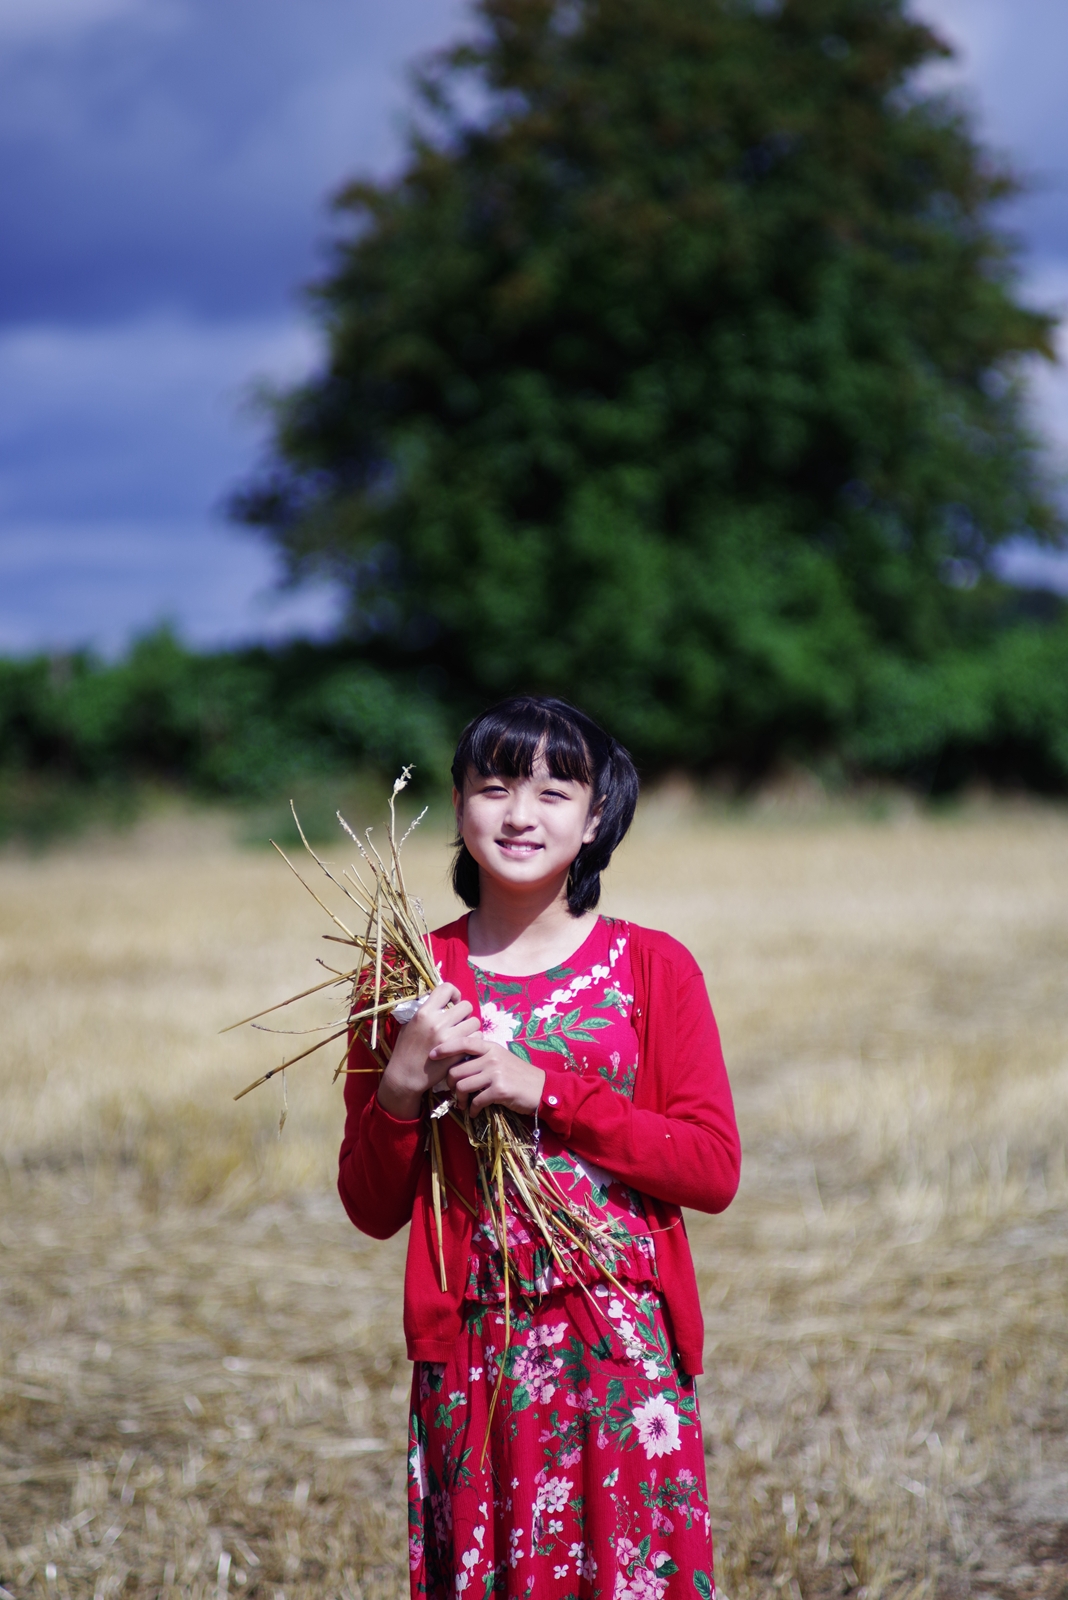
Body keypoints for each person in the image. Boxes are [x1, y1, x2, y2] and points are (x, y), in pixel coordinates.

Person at [338, 695, 740, 1600]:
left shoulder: (652, 967)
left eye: (556, 792)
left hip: (621, 1341)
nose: (521, 814)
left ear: (596, 819)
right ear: (457, 803)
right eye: (494, 787)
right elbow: (369, 1206)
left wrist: (545, 1091)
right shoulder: (404, 978)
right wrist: (402, 1084)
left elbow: (710, 1169)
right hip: (475, 1348)